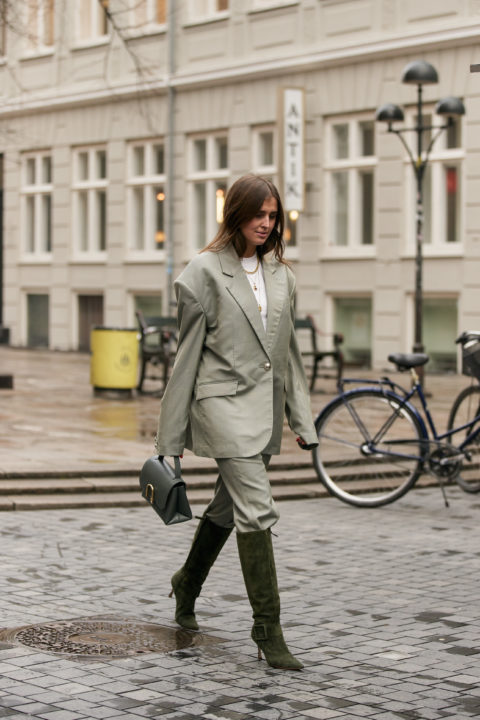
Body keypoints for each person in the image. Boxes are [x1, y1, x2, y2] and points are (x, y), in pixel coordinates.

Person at [155, 174, 318, 670]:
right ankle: (268, 630)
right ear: (236, 214)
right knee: (257, 509)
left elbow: (288, 354)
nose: (267, 224)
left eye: (273, 216)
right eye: (258, 215)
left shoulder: (284, 276)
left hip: (263, 411)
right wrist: (171, 436)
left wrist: (301, 419)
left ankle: (187, 583)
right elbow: (187, 357)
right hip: (221, 405)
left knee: (228, 508)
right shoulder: (203, 272)